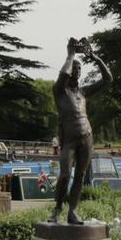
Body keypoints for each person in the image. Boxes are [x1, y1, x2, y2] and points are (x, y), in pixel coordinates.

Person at [50, 37, 112, 224]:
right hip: (69, 140)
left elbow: (108, 79)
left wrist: (95, 57)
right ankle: (58, 208)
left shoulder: (83, 92)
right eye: (73, 69)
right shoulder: (60, 92)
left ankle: (73, 211)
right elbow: (62, 74)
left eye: (79, 69)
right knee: (65, 175)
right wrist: (70, 54)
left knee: (80, 176)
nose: (76, 71)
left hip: (87, 138)